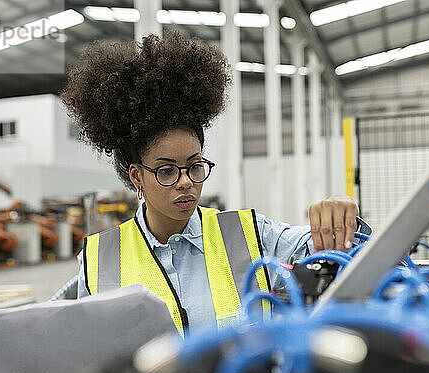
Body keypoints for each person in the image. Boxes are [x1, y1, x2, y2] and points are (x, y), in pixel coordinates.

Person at [61, 31, 359, 336]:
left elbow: (336, 249)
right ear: (137, 175)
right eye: (166, 171)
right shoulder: (101, 259)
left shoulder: (249, 234)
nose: (186, 182)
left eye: (194, 166)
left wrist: (339, 217)